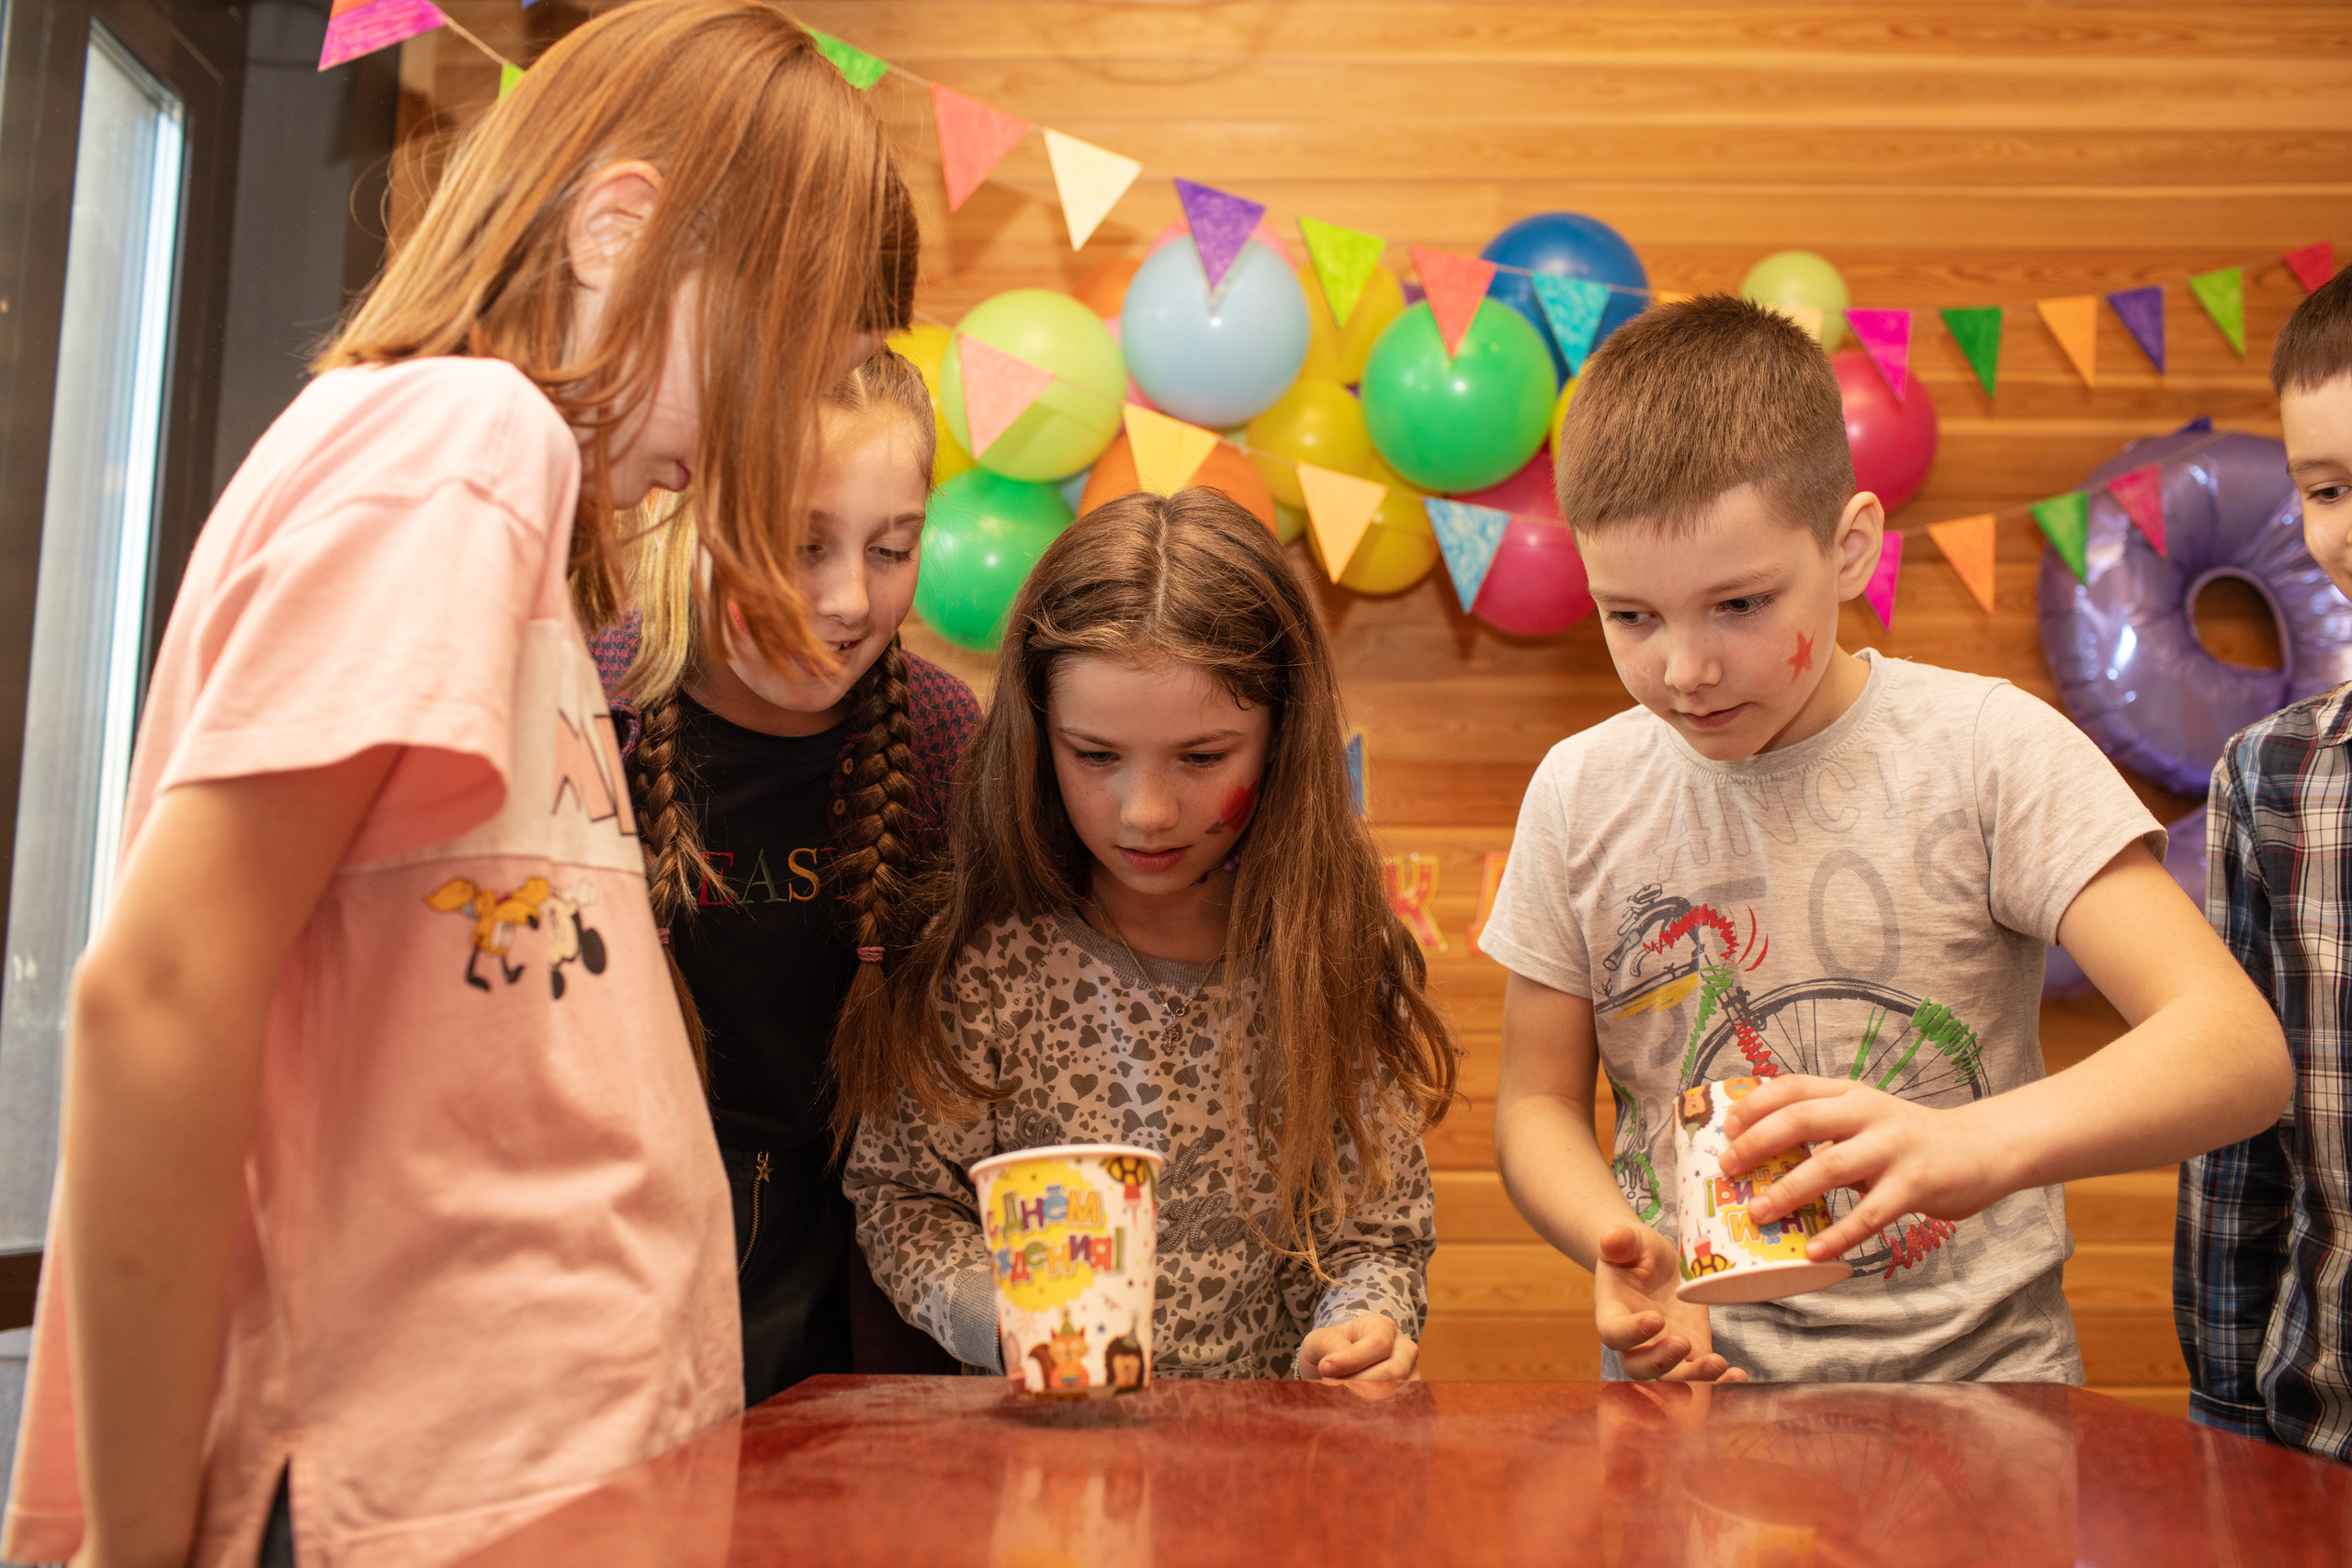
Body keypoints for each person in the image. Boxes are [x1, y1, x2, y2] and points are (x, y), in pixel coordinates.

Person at [1, 4, 918, 1564]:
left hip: (534, 1488)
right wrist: (135, 1541)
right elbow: (158, 990)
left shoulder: (518, 519)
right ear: (617, 231)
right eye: (789, 345)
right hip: (416, 1490)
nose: (782, 422)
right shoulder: (464, 437)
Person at [1482, 294, 2291, 1385]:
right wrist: (1617, 1243)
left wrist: (1972, 1144)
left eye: (1739, 604)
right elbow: (1535, 1101)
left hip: (1981, 1400)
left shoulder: (1988, 749)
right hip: (1682, 1413)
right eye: (1630, 616)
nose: (1684, 669)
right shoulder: (1579, 791)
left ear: (1850, 546)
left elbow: (2234, 1054)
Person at [843, 490, 1457, 1382]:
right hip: (1039, 1481)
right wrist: (1002, 1320)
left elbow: (1378, 1237)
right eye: (1095, 756)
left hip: (1269, 1476)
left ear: (1281, 739)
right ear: (1037, 736)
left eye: (1203, 758)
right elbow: (901, 1198)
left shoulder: (1327, 958)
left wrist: (1365, 1321)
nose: (1147, 812)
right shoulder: (983, 962)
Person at [587, 349, 978, 1400]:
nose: (846, 600)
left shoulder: (943, 739)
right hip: (619, 1306)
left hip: (865, 1313)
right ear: (688, 515)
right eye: (803, 546)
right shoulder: (583, 716)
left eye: (891, 549)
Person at [2176, 263, 2352, 1456]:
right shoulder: (2270, 776)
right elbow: (2239, 1159)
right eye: (2329, 486)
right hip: (2320, 1436)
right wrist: (2228, 1423)